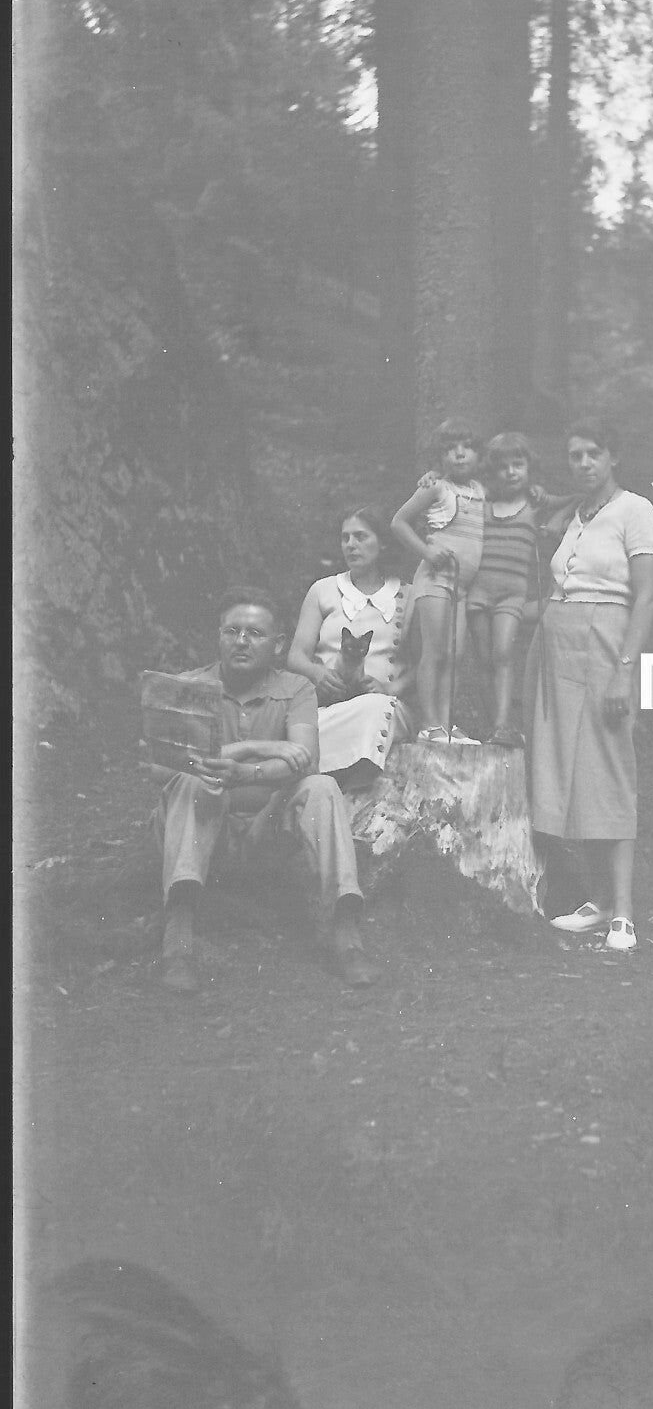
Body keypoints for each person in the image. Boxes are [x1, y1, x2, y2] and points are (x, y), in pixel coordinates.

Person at [155, 586, 382, 993]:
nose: (241, 641)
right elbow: (166, 765)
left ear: (278, 645)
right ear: (219, 635)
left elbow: (305, 760)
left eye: (254, 634)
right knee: (191, 780)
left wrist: (244, 769)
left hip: (268, 831)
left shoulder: (296, 688)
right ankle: (179, 937)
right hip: (205, 833)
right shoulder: (188, 686)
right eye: (232, 631)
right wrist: (265, 748)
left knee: (321, 785)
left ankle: (345, 931)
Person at [525, 420, 653, 953]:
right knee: (568, 765)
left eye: (592, 454)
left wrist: (624, 669)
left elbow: (645, 598)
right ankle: (599, 901)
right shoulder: (575, 515)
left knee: (609, 765)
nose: (582, 463)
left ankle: (624, 913)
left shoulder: (636, 510)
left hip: (606, 644)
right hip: (557, 642)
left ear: (614, 456)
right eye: (574, 455)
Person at [286, 505, 412, 789]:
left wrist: (391, 688)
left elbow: (427, 663)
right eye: (345, 538)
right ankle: (321, 779)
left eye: (360, 537)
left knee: (376, 709)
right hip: (328, 706)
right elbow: (295, 656)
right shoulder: (323, 589)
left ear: (382, 542)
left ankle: (350, 779)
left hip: (383, 708)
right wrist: (318, 674)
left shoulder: (408, 594)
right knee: (304, 726)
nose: (351, 545)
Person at [466, 431, 577, 748]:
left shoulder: (534, 504)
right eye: (504, 467)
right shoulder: (482, 503)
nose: (512, 472)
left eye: (518, 464)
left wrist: (555, 519)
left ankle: (502, 724)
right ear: (492, 471)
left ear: (529, 468)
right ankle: (492, 726)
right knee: (484, 658)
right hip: (478, 591)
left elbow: (576, 501)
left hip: (511, 595)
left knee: (503, 653)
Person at [391, 418, 486, 745]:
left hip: (462, 586)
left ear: (478, 454)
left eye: (467, 448)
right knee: (434, 652)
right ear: (440, 457)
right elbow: (399, 523)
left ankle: (446, 724)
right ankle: (430, 724)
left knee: (456, 655)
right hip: (436, 580)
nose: (459, 455)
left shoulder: (480, 491)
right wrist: (427, 552)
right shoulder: (435, 487)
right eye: (450, 449)